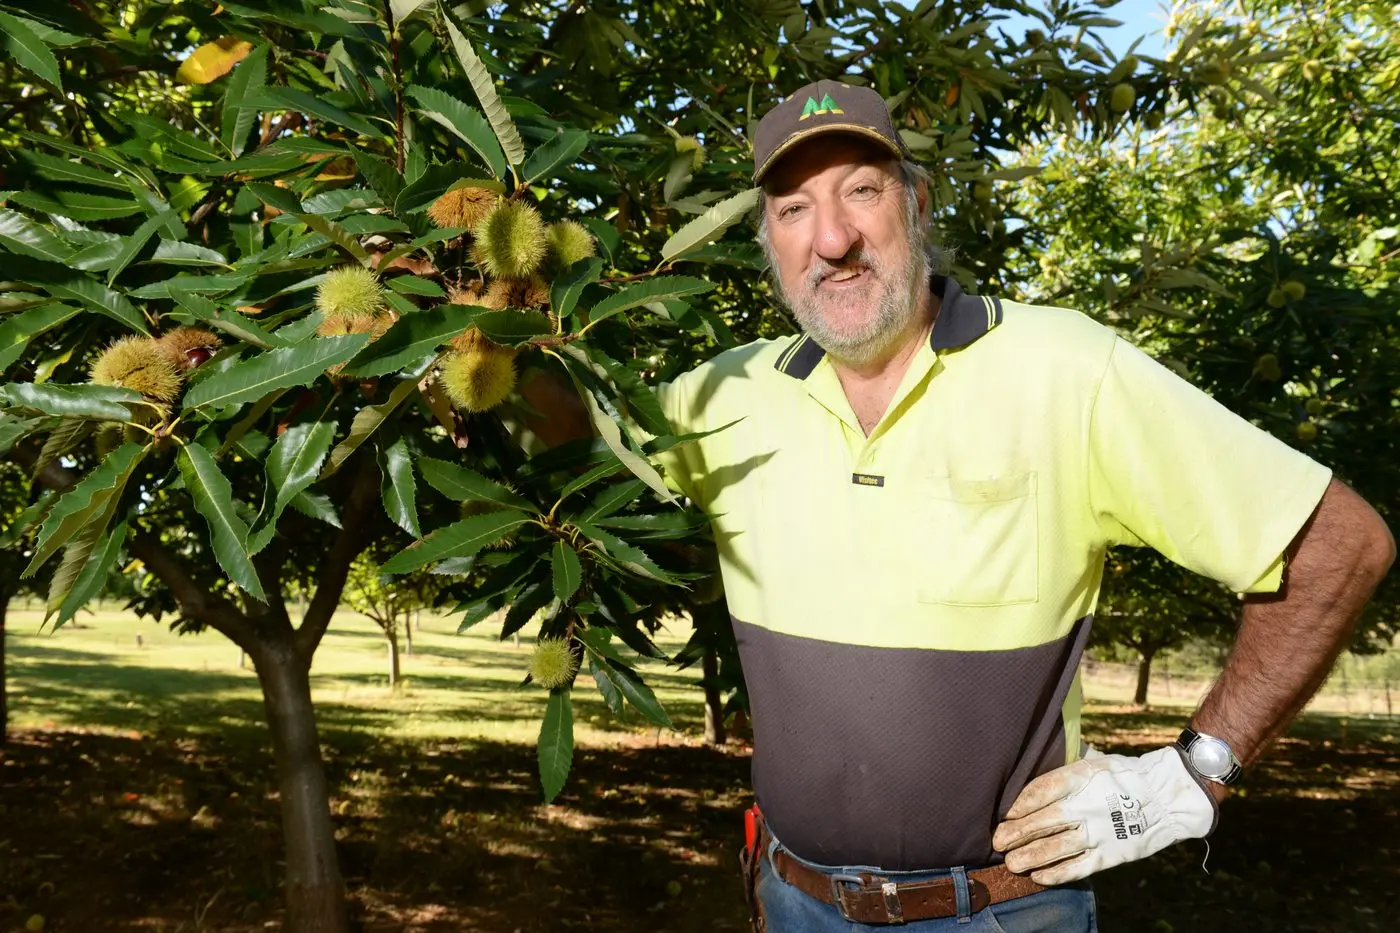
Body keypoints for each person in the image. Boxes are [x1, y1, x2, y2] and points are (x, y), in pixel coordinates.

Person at [525, 79, 1395, 931]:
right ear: (767, 239)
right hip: (793, 900)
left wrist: (1193, 770)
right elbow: (583, 472)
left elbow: (1341, 544)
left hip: (1002, 912)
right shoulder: (721, 395)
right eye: (793, 209)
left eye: (861, 192)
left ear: (916, 203)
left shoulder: (1065, 370)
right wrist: (485, 323)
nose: (832, 238)